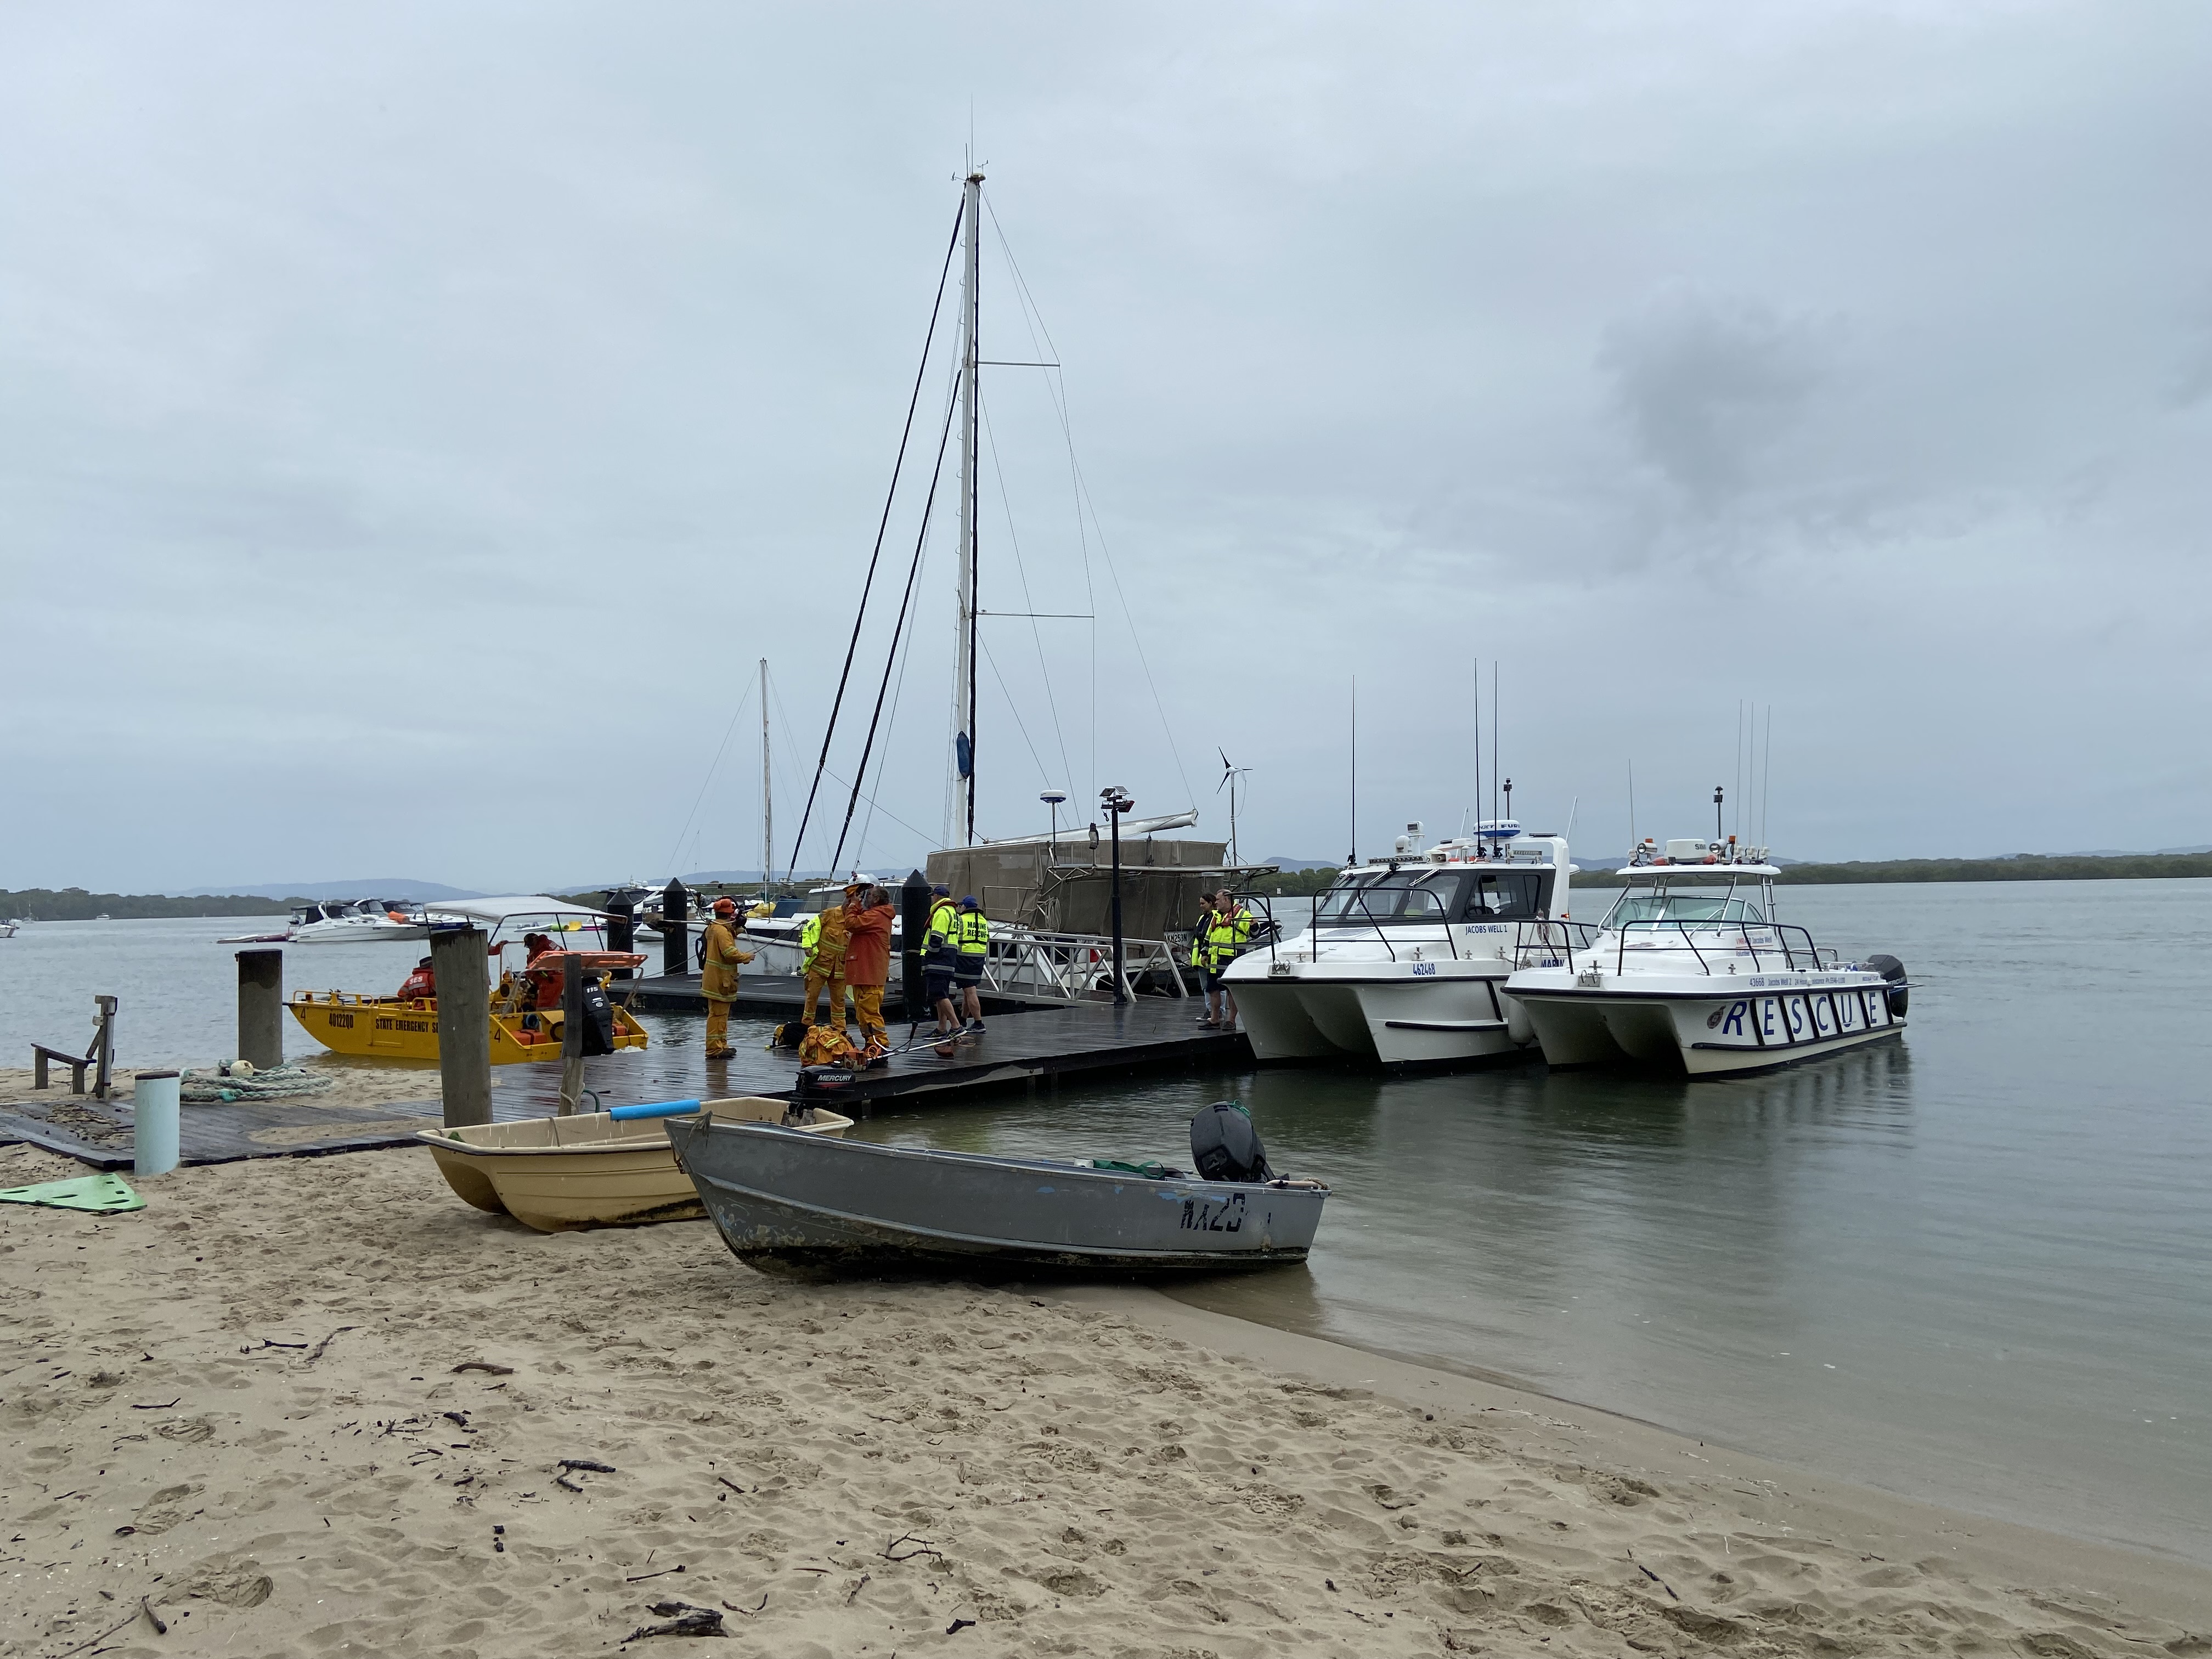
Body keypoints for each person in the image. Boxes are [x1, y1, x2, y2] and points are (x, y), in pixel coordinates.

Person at [842, 884, 896, 1064]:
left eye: (869, 895)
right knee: (863, 1012)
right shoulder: (875, 915)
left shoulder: (877, 915)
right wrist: (853, 903)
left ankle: (880, 1044)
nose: (865, 897)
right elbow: (850, 919)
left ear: (876, 900)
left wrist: (854, 905)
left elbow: (852, 923)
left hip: (870, 972)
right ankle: (871, 1044)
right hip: (865, 972)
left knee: (870, 1012)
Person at [700, 896, 755, 1059]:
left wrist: (736, 929)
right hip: (720, 980)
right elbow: (729, 953)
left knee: (721, 1015)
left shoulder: (714, 928)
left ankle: (721, 1045)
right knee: (717, 1015)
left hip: (717, 979)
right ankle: (713, 1049)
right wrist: (747, 957)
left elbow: (725, 940)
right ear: (730, 914)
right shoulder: (722, 931)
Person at [802, 882, 860, 1030]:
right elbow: (808, 929)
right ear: (847, 904)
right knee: (812, 998)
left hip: (840, 969)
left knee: (839, 1002)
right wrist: (807, 946)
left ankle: (840, 1030)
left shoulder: (855, 921)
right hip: (819, 965)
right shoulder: (829, 914)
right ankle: (806, 1028)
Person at [1196, 889, 1252, 1028]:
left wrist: (1255, 926)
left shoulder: (1242, 915)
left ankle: (1231, 1021)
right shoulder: (1216, 917)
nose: (1216, 903)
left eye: (1218, 900)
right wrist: (1204, 954)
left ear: (1227, 900)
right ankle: (1214, 1019)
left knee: (1231, 991)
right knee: (1213, 989)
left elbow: (1254, 933)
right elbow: (1209, 937)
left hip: (1232, 960)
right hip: (1215, 960)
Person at [922, 882, 961, 1039]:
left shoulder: (941, 912)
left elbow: (936, 937)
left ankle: (956, 1026)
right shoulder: (953, 912)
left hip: (939, 959)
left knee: (939, 994)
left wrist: (930, 955)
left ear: (936, 897)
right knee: (940, 995)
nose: (932, 900)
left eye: (933, 897)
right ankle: (942, 1028)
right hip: (949, 957)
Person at [953, 894, 990, 1033]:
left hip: (964, 958)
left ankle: (979, 1023)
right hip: (979, 958)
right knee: (968, 990)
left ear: (965, 907)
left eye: (962, 906)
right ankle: (963, 1019)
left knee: (970, 990)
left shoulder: (961, 920)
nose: (960, 908)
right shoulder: (983, 921)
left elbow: (954, 936)